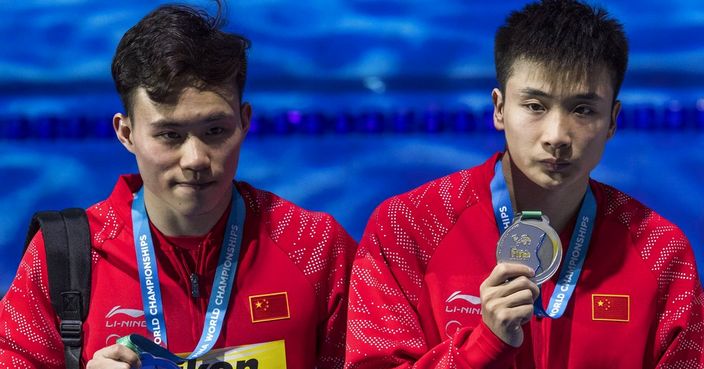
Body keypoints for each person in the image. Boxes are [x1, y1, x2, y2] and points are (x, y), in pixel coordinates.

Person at [344, 0, 704, 368]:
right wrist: (482, 346)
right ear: (499, 109)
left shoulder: (659, 251)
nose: (557, 135)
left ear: (612, 120)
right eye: (535, 105)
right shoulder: (409, 227)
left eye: (583, 110)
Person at [0, 2, 356, 368]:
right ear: (126, 133)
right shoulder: (65, 257)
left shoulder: (313, 246)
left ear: (244, 122)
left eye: (215, 131)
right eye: (170, 135)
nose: (196, 159)